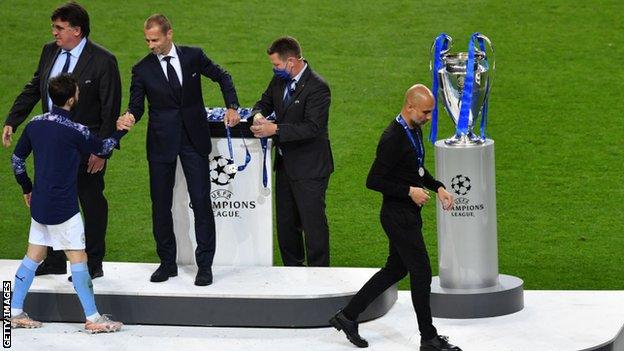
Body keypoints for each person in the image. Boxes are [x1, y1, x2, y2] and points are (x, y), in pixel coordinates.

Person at [329, 85, 461, 350]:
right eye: (425, 112)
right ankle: (429, 338)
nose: (428, 117)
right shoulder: (393, 138)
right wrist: (409, 191)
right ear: (410, 106)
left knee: (396, 268)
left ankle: (347, 316)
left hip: (406, 214)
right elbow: (373, 180)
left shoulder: (413, 130)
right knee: (421, 271)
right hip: (397, 216)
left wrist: (438, 187)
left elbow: (417, 170)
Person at [117, 14, 240, 286]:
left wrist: (232, 105)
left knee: (201, 202)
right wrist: (129, 116)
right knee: (161, 206)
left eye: (155, 40)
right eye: (147, 40)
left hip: (193, 140)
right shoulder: (142, 69)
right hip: (161, 144)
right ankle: (167, 263)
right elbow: (136, 105)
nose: (150, 45)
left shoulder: (193, 56)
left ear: (169, 34)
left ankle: (204, 266)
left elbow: (222, 76)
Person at [2, 2, 122, 281]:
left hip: (86, 149)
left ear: (77, 31)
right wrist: (13, 120)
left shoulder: (104, 60)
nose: (54, 33)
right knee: (54, 199)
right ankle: (55, 260)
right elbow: (34, 88)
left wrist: (103, 152)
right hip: (52, 147)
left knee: (91, 201)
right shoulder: (49, 51)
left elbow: (110, 109)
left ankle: (93, 262)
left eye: (60, 28)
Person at [10, 74, 124, 333]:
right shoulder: (76, 131)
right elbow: (104, 147)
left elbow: (17, 161)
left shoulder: (34, 124)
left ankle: (14, 311)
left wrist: (27, 188)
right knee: (78, 258)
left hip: (40, 205)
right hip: (64, 209)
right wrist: (121, 129)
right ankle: (93, 318)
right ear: (72, 99)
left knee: (34, 255)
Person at [249, 36, 333, 267]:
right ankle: (293, 274)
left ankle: (319, 276)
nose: (274, 69)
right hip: (285, 166)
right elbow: (263, 103)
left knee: (312, 225)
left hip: (310, 168)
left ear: (292, 62)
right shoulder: (279, 81)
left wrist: (273, 128)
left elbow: (312, 127)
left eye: (276, 65)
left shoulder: (318, 87)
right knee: (286, 226)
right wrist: (258, 115)